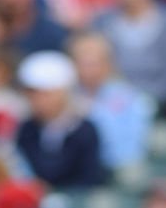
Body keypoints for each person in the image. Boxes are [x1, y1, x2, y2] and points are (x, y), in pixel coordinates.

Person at [15, 50, 106, 189]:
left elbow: (89, 177)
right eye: (33, 93)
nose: (38, 100)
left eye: (46, 94)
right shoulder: (26, 129)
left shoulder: (84, 130)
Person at [69, 31, 155, 172]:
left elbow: (134, 145)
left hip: (118, 166)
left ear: (107, 64)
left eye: (93, 63)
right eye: (82, 63)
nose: (88, 70)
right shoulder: (66, 95)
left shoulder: (130, 97)